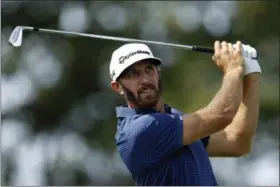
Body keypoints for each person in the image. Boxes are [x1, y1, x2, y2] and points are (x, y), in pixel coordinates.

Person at [109, 41, 261, 186]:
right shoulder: (140, 130)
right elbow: (223, 114)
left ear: (158, 72)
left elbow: (236, 143)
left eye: (149, 69)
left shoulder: (174, 118)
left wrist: (251, 75)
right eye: (132, 74)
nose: (144, 79)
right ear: (117, 87)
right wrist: (233, 69)